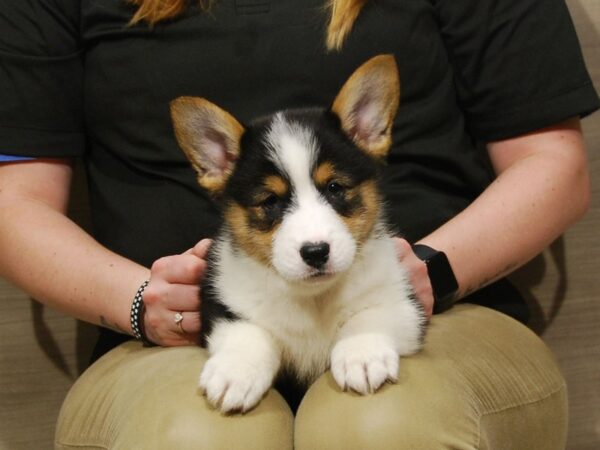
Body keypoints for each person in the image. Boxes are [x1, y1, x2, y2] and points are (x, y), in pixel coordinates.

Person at [0, 0, 597, 448]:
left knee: (381, 426)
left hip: (440, 315)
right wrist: (141, 302)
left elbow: (554, 168)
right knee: (196, 437)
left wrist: (430, 273)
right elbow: (13, 206)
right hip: (174, 339)